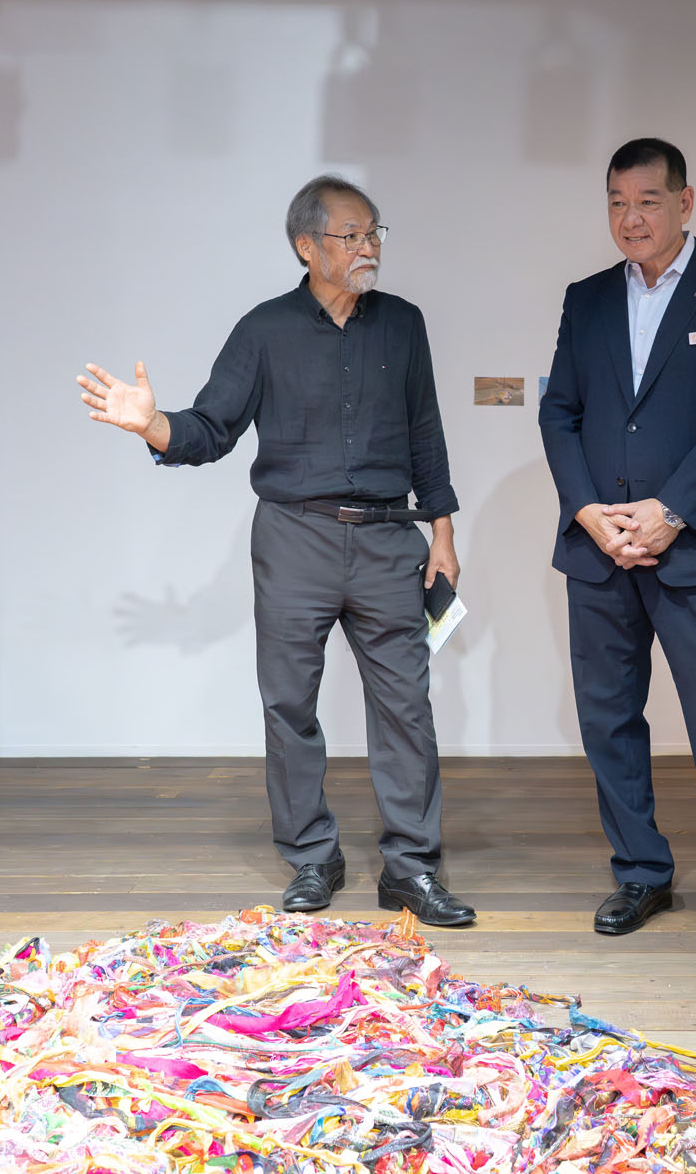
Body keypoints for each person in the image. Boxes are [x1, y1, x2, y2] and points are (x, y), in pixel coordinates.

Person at [76, 176, 476, 926]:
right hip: (295, 538)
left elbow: (427, 431)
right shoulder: (264, 330)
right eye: (351, 236)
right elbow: (211, 429)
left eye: (373, 233)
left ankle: (412, 869)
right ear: (307, 247)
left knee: (406, 707)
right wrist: (152, 424)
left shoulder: (404, 324)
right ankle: (313, 857)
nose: (367, 248)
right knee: (289, 704)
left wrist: (443, 533)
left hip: (391, 537)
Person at [538, 137, 696, 962]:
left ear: (685, 203)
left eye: (647, 201)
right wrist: (587, 511)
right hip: (600, 549)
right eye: (617, 203)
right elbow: (560, 411)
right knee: (609, 719)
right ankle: (641, 871)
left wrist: (672, 512)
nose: (631, 218)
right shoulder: (586, 298)